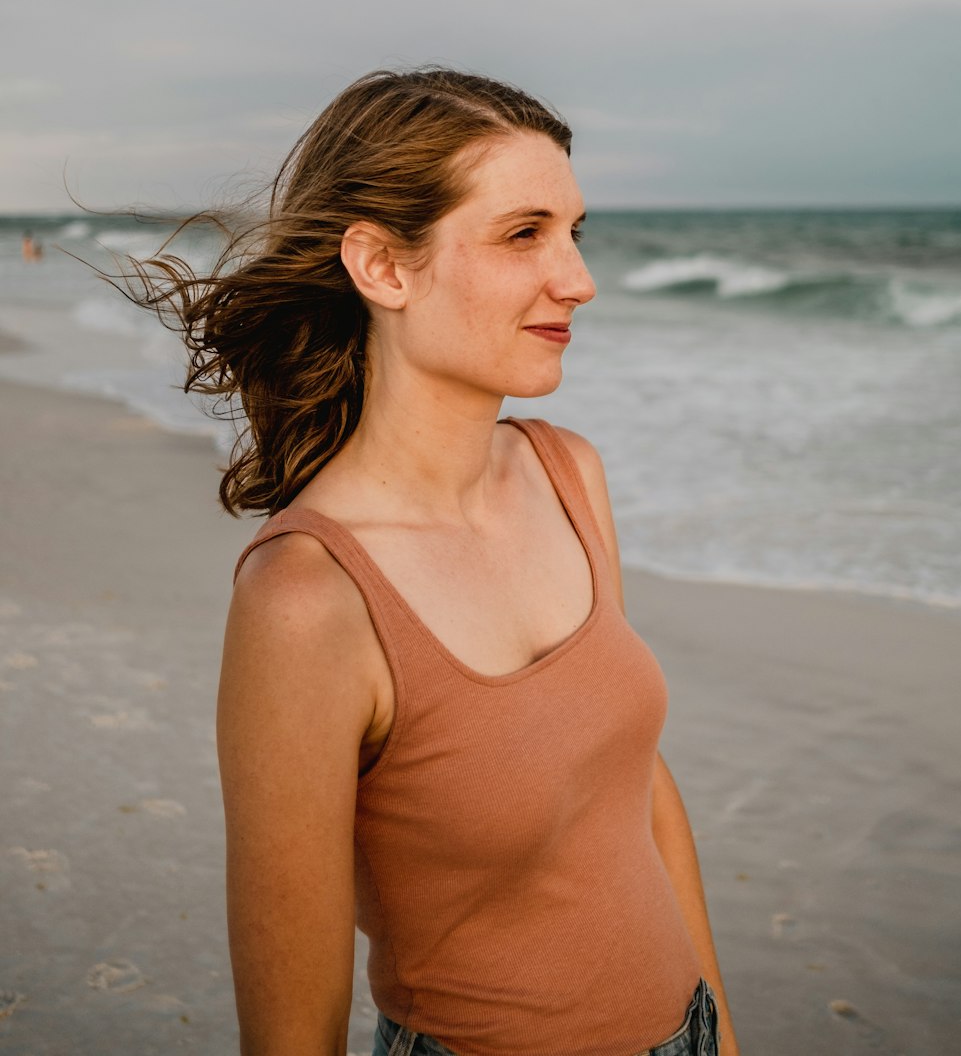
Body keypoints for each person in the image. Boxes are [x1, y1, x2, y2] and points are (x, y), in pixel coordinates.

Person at [132, 68, 738, 1056]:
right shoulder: (309, 597)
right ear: (382, 266)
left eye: (575, 231)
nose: (577, 277)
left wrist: (722, 1026)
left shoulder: (566, 473)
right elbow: (291, 1034)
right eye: (522, 233)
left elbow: (639, 789)